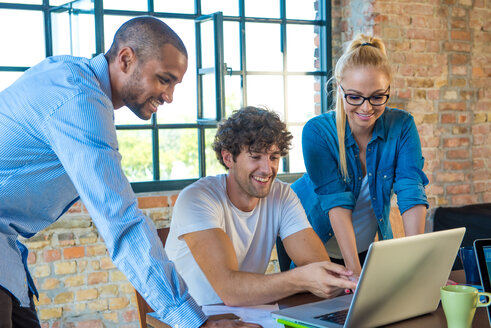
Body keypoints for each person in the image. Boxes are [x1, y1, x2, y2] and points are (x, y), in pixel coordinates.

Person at [0, 16, 260, 328]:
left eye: (174, 84)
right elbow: (121, 222)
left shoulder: (71, 77)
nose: (169, 96)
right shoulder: (78, 100)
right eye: (164, 79)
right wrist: (194, 323)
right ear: (126, 59)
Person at [165, 106, 357, 307]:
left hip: (249, 313)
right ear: (228, 157)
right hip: (192, 317)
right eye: (255, 157)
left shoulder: (281, 195)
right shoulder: (197, 198)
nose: (267, 169)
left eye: (273, 157)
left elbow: (317, 266)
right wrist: (302, 279)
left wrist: (327, 278)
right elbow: (230, 291)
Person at [291, 34, 429, 278]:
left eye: (377, 97)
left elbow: (411, 191)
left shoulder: (402, 126)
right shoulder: (317, 132)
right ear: (340, 89)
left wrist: (418, 265)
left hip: (366, 251)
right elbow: (336, 202)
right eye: (354, 97)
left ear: (388, 90)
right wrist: (353, 272)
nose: (366, 108)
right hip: (316, 252)